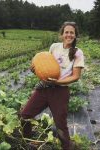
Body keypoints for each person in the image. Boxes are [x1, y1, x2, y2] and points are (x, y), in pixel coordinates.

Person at [20, 21, 84, 150]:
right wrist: (36, 70)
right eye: (66, 32)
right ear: (62, 34)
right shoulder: (54, 46)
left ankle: (67, 146)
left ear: (75, 35)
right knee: (25, 115)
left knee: (60, 124)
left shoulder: (78, 53)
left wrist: (56, 82)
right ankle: (28, 138)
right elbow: (45, 65)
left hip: (60, 91)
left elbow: (76, 76)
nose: (69, 35)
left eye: (72, 32)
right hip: (44, 88)